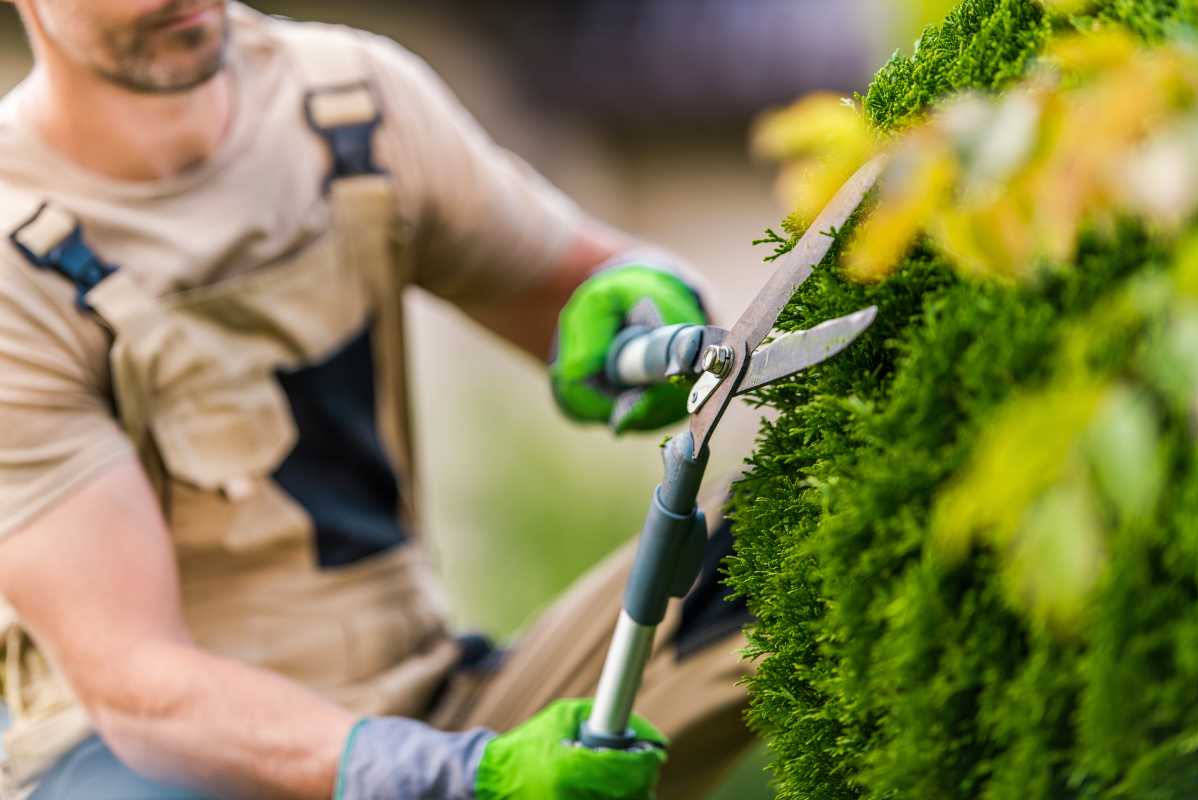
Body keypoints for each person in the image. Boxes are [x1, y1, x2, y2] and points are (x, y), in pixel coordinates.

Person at [0, 1, 755, 798]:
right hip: (152, 768)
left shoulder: (348, 101)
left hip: (435, 707)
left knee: (790, 535)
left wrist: (648, 312)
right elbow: (141, 691)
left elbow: (578, 297)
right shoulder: (15, 256)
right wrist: (467, 779)